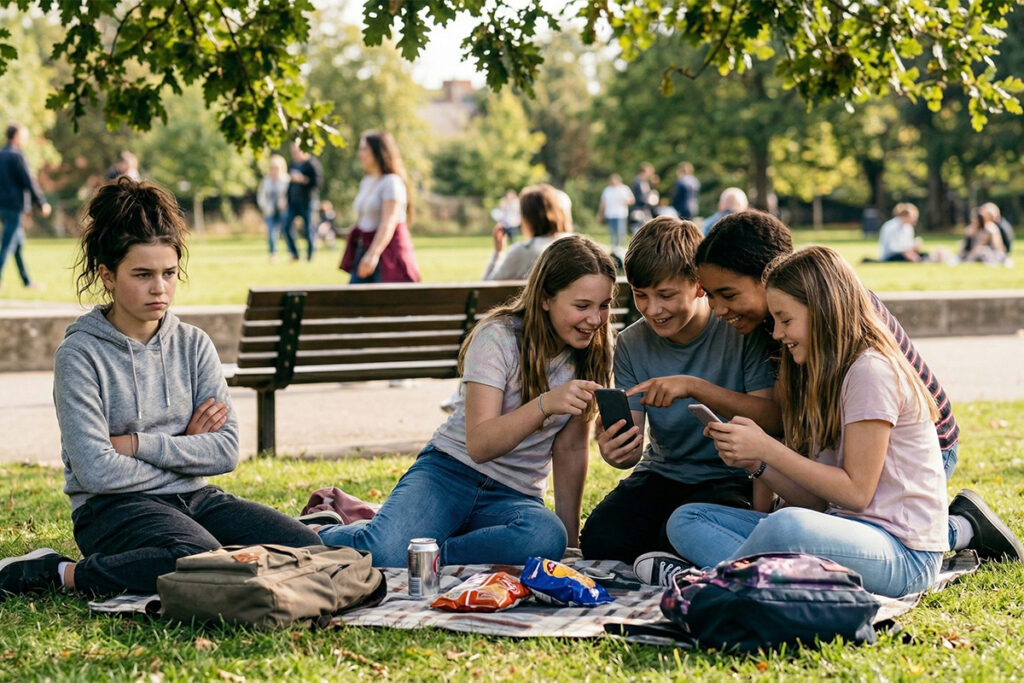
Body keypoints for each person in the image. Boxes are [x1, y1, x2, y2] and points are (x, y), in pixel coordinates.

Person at [0, 178, 320, 600]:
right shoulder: (79, 355)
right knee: (199, 559)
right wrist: (187, 449)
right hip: (112, 510)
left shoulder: (194, 344)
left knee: (310, 550)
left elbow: (224, 452)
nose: (160, 288)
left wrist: (135, 443)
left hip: (197, 499)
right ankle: (60, 573)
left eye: (169, 273)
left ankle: (208, 558)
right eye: (143, 274)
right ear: (107, 275)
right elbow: (96, 471)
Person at [693, 209, 1023, 565]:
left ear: (769, 277)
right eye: (709, 295)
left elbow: (858, 492)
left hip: (917, 459)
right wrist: (760, 472)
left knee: (811, 524)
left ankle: (956, 529)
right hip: (847, 476)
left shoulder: (858, 352)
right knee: (702, 521)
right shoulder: (798, 337)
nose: (716, 308)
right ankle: (772, 570)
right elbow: (795, 433)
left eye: (726, 294)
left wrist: (700, 393)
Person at [668, 246, 951, 598]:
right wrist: (757, 463)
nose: (777, 334)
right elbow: (819, 503)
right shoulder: (818, 373)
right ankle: (766, 581)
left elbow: (856, 493)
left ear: (824, 312)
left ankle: (717, 585)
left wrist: (769, 447)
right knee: (687, 520)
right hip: (840, 531)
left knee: (788, 525)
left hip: (903, 554)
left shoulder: (870, 371)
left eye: (786, 320)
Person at [315, 235, 615, 566]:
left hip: (513, 496)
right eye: (582, 306)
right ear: (545, 298)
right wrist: (544, 404)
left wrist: (569, 543)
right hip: (448, 473)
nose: (596, 319)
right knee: (384, 553)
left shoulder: (593, 354)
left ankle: (429, 551)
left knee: (547, 538)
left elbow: (571, 449)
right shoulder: (498, 337)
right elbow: (480, 444)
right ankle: (322, 531)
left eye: (604, 305)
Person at [579, 217, 778, 567]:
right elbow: (629, 452)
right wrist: (614, 449)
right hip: (663, 473)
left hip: (730, 478)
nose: (653, 309)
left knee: (675, 533)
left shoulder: (738, 327)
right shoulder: (631, 343)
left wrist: (694, 388)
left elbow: (770, 417)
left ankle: (667, 556)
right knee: (600, 538)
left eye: (666, 295)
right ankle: (669, 560)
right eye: (641, 295)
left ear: (699, 286)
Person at [340, 131, 421, 283]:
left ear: (378, 152)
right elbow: (365, 220)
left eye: (364, 149)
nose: (360, 154)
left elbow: (388, 223)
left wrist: (373, 255)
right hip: (364, 249)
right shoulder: (367, 181)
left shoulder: (392, 182)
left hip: (387, 255)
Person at [484, 183, 572, 280]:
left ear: (527, 218)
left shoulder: (523, 251)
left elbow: (487, 286)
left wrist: (498, 253)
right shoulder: (577, 246)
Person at [0, 123, 51, 289]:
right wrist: (42, 202)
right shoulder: (17, 156)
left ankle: (27, 281)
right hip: (15, 207)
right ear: (16, 136)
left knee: (18, 244)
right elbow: (29, 181)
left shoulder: (1, 154)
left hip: (3, 206)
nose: (25, 139)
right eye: (23, 135)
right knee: (7, 244)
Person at [282, 141, 323, 261]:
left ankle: (310, 256)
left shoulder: (312, 164)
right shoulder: (293, 164)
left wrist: (302, 179)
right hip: (293, 203)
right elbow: (289, 185)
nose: (294, 154)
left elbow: (317, 183)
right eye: (293, 152)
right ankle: (294, 254)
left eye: (296, 151)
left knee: (309, 229)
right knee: (286, 226)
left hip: (308, 202)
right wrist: (286, 201)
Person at [256, 154, 290, 262]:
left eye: (276, 168)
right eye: (272, 168)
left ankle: (291, 253)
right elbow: (261, 197)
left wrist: (285, 205)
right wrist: (265, 208)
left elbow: (290, 195)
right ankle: (273, 254)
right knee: (271, 233)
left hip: (283, 210)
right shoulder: (266, 181)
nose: (274, 170)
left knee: (287, 232)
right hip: (270, 211)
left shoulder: (286, 180)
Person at [598, 174, 634, 251]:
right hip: (610, 214)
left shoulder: (624, 189)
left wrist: (625, 201)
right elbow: (603, 203)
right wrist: (601, 213)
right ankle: (614, 247)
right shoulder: (607, 190)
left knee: (620, 231)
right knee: (612, 232)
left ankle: (620, 247)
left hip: (620, 214)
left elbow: (632, 200)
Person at [629, 162, 655, 234]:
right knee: (638, 230)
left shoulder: (645, 182)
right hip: (638, 209)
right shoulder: (636, 182)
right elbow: (638, 197)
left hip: (646, 210)